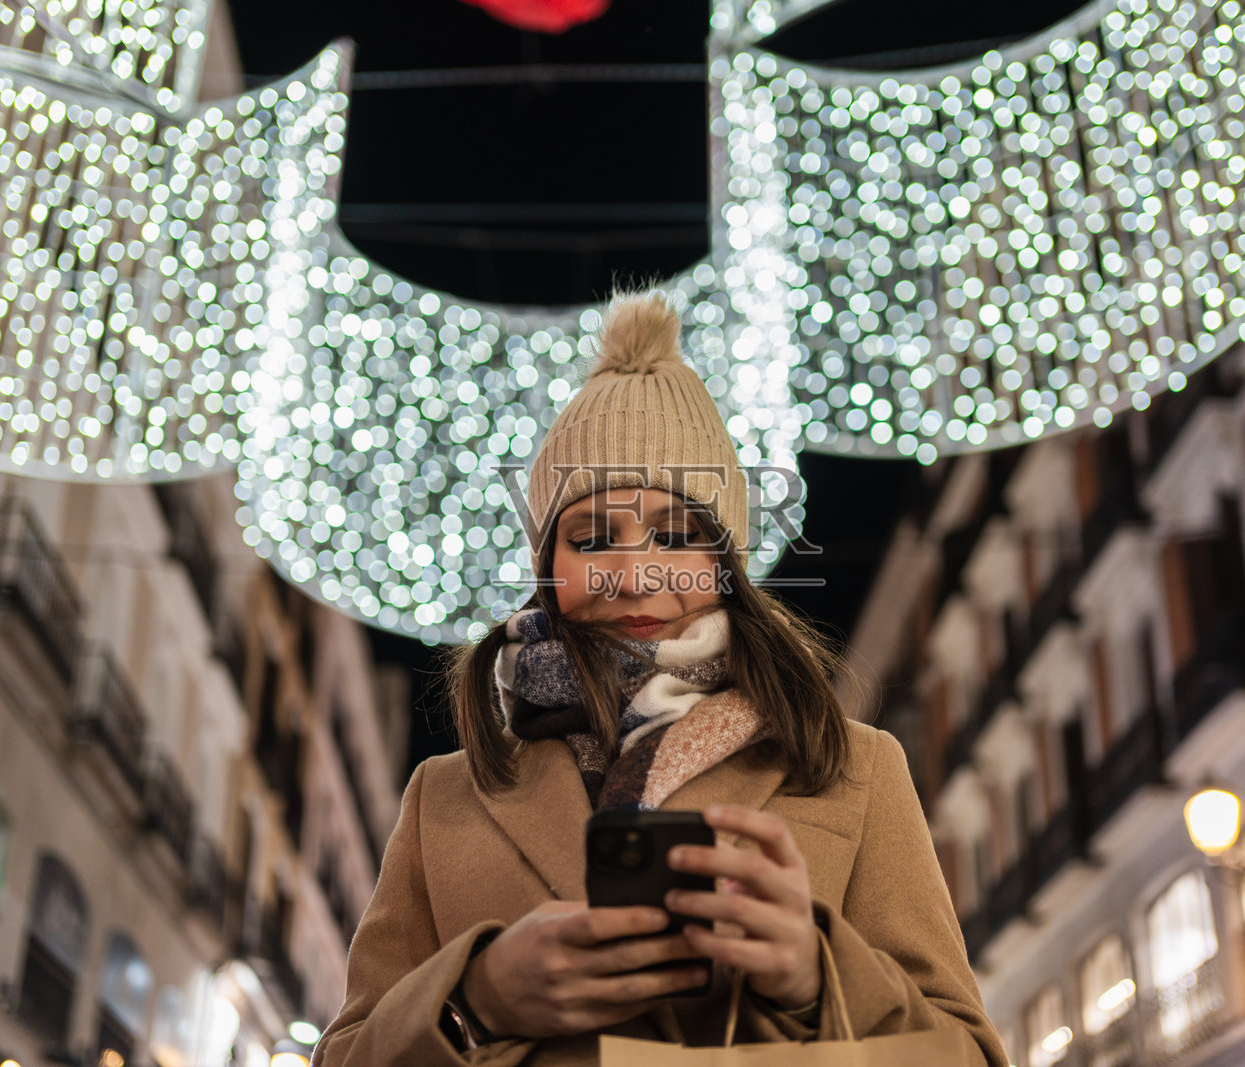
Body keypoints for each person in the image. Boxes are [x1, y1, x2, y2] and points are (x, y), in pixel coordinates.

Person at [312, 292, 1008, 1066]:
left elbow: (966, 1052)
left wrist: (819, 976)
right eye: (591, 538)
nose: (634, 575)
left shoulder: (856, 766)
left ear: (726, 564)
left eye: (675, 535)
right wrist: (476, 1000)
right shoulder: (445, 795)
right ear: (548, 570)